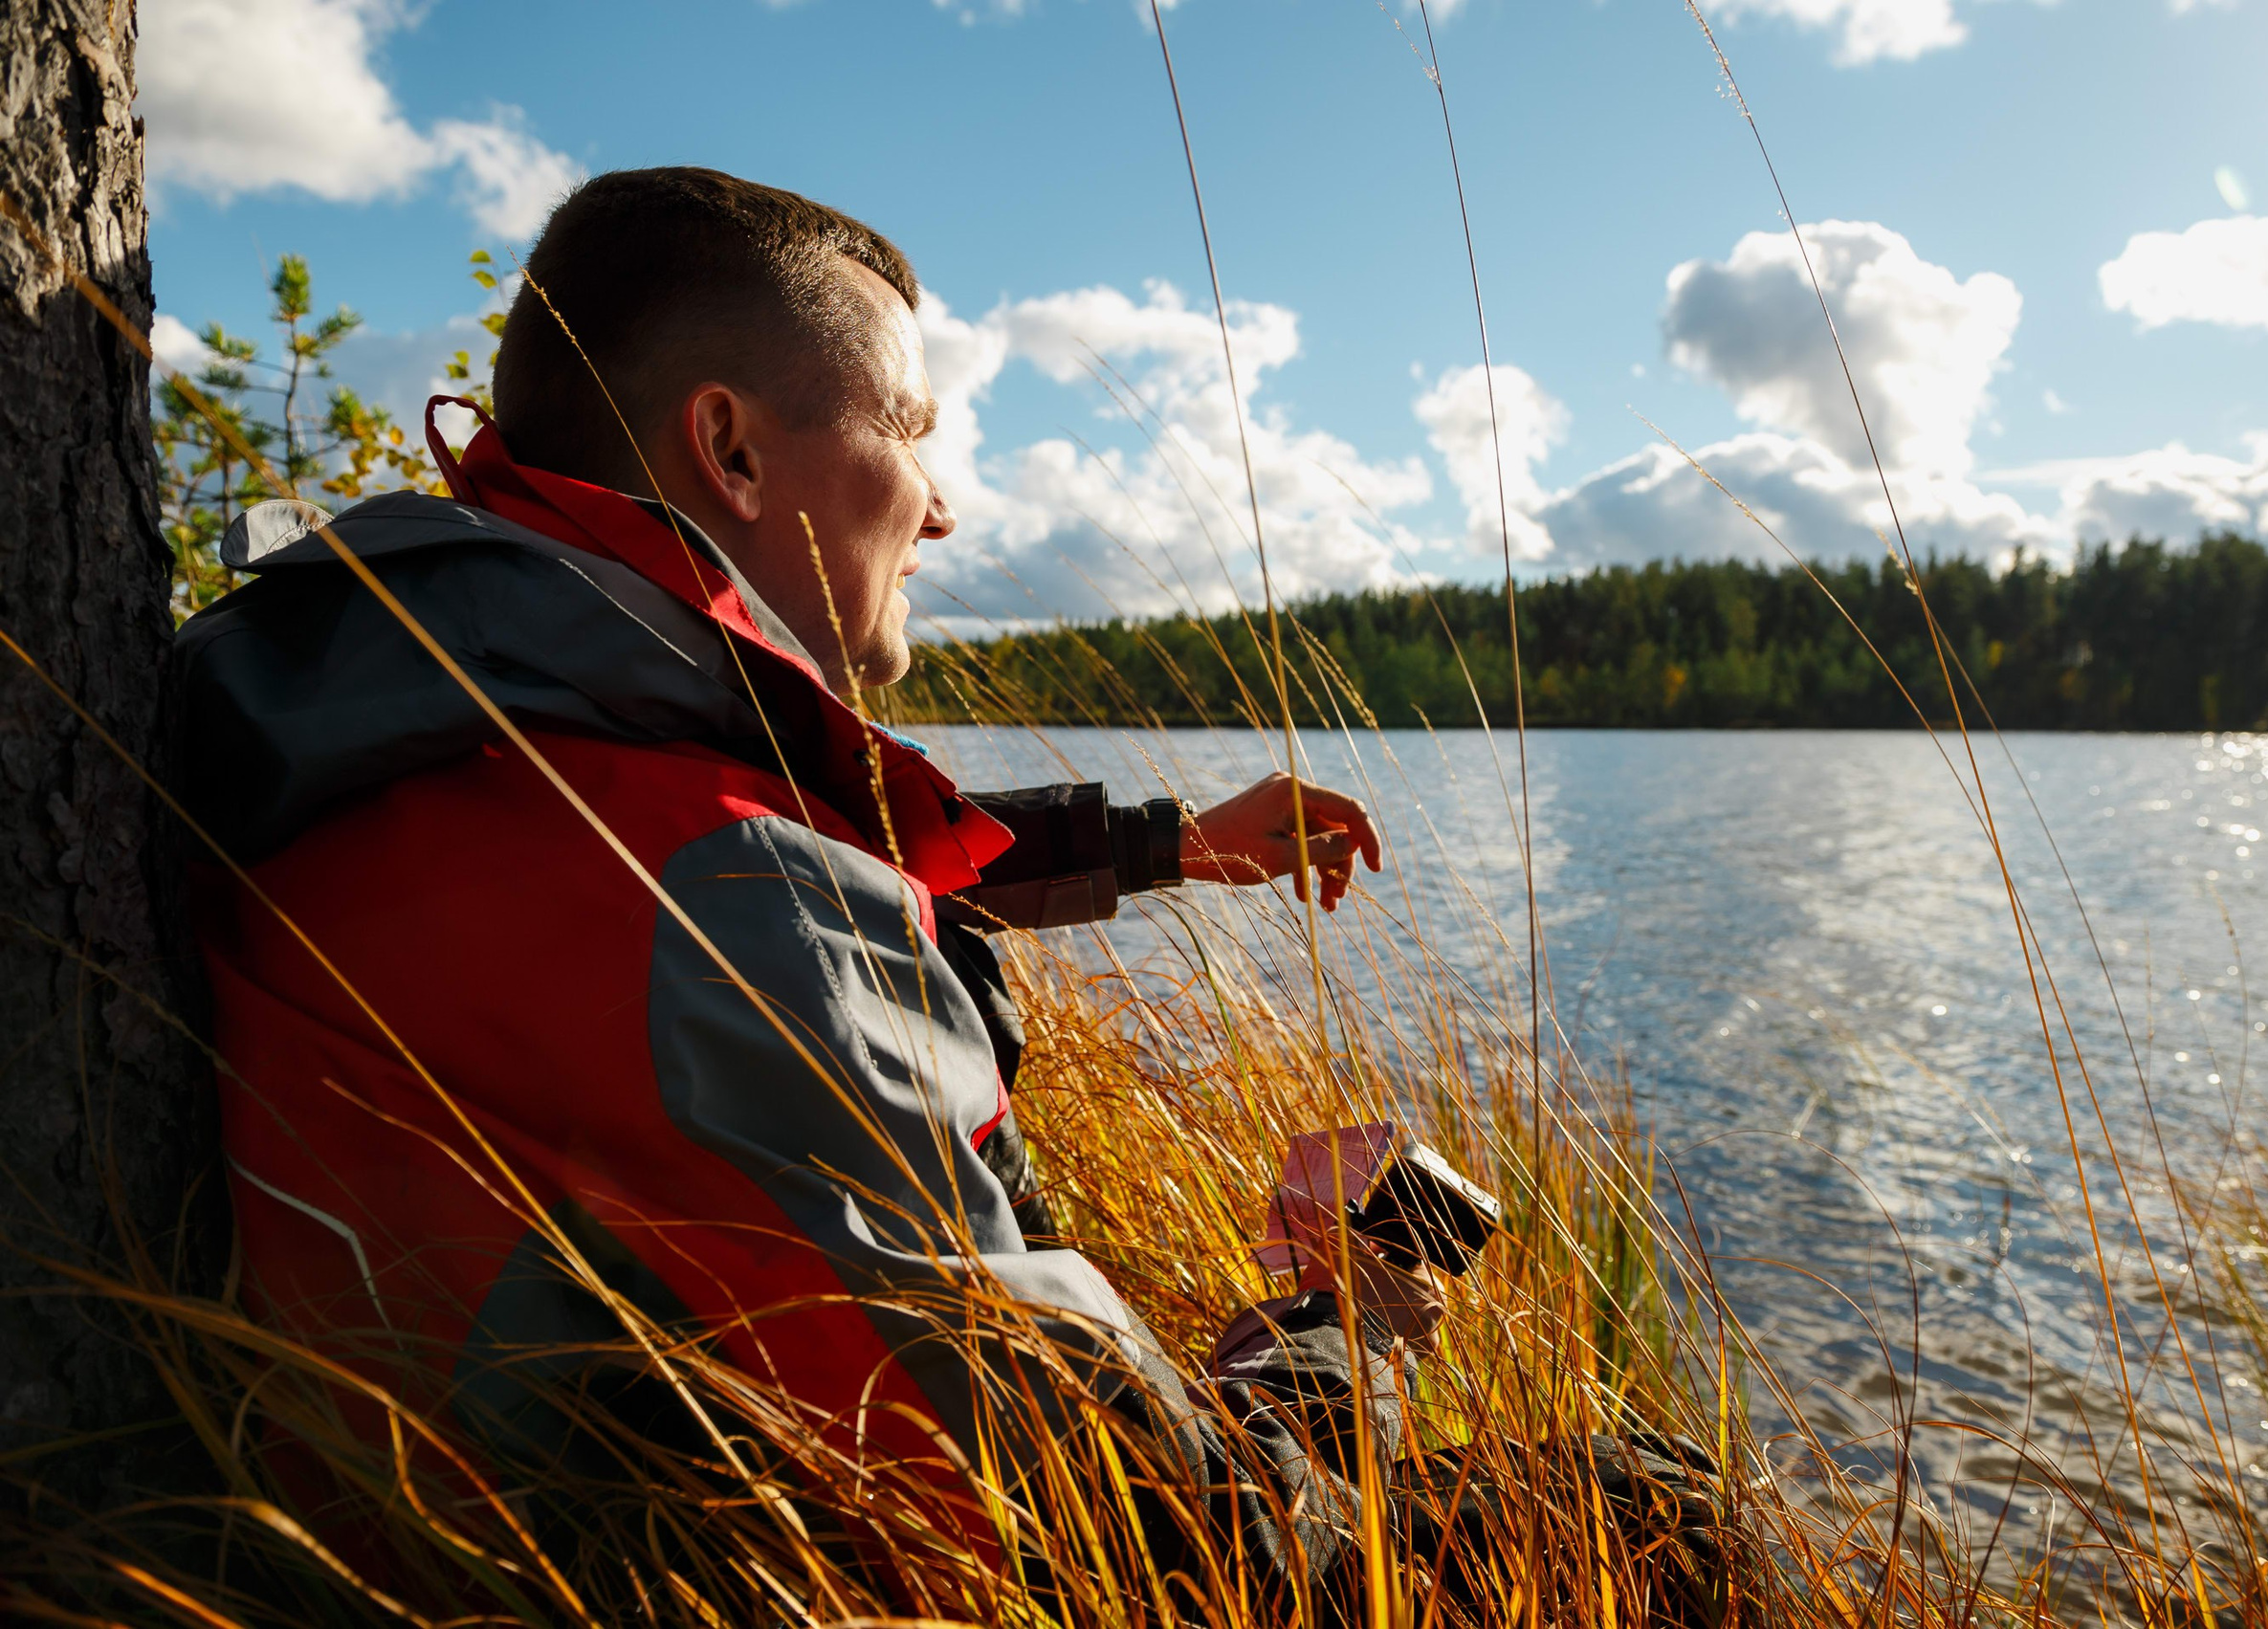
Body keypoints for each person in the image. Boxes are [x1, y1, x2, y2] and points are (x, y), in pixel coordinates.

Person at [173, 166, 1460, 1613]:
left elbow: (773, 840)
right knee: (1644, 1500)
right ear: (729, 449)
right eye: (908, 430)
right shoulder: (729, 909)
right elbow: (1167, 1555)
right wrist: (1335, 1339)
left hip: (423, 1546)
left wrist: (1168, 845)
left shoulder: (430, 712)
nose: (943, 509)